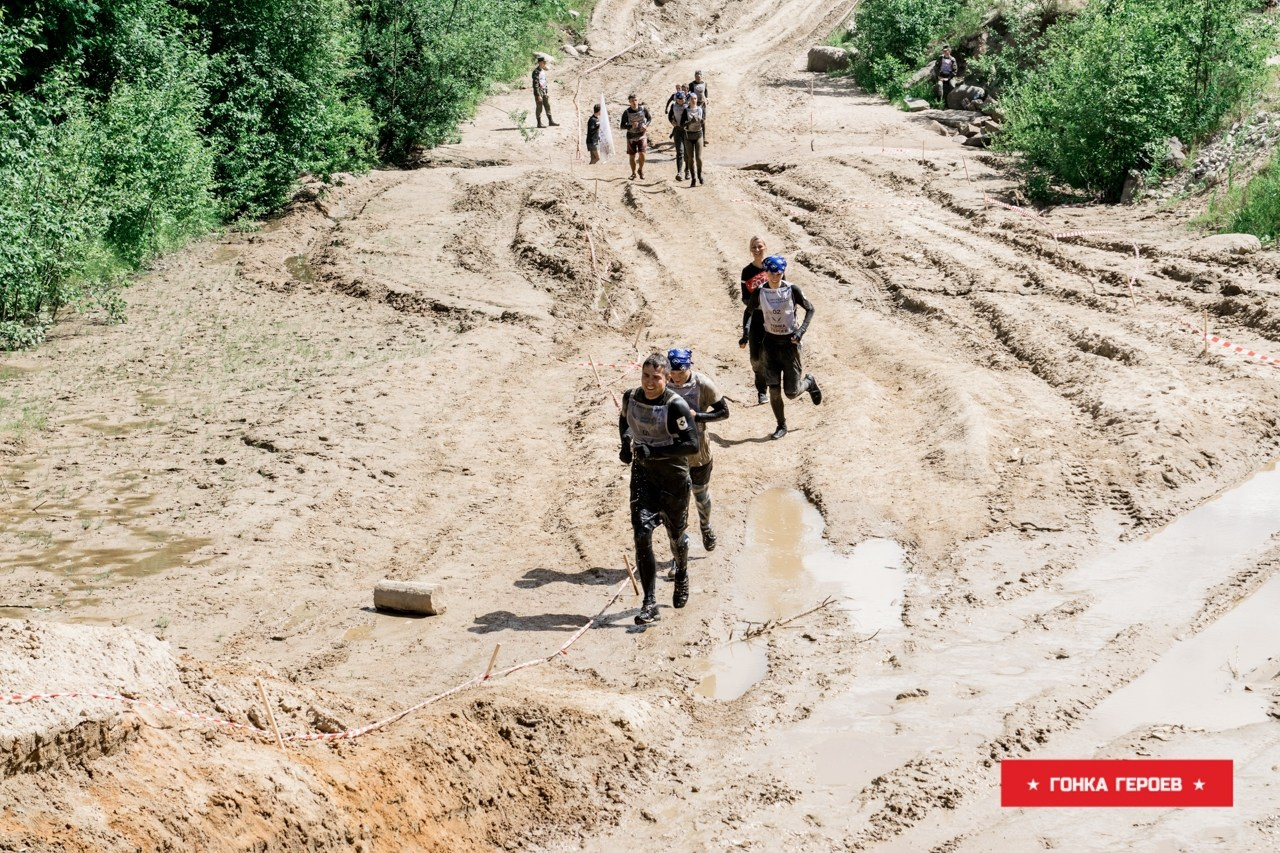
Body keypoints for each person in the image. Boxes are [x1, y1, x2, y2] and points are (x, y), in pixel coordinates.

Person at [619, 353, 700, 624]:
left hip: (673, 478)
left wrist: (652, 451)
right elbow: (624, 420)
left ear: (667, 378)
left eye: (656, 378)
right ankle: (649, 602)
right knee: (641, 534)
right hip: (643, 476)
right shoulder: (630, 397)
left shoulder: (675, 406)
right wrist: (625, 444)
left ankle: (682, 574)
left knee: (676, 536)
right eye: (645, 376)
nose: (649, 383)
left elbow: (692, 445)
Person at [745, 255, 822, 439]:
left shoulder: (791, 289)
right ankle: (781, 425)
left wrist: (801, 331)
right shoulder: (760, 291)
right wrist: (744, 334)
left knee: (791, 392)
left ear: (783, 273)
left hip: (790, 346)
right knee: (773, 389)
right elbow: (748, 312)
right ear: (766, 272)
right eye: (772, 273)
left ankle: (809, 382)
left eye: (779, 274)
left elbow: (810, 309)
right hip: (770, 345)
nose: (775, 277)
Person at [666, 348, 728, 553]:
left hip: (699, 451)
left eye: (680, 374)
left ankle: (705, 526)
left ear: (688, 367)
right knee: (677, 505)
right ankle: (679, 553)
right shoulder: (663, 382)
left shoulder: (703, 384)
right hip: (672, 452)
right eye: (672, 373)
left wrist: (698, 416)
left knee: (700, 495)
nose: (676, 378)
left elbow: (724, 412)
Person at [738, 236, 770, 405]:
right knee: (756, 359)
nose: (757, 250)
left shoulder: (773, 267)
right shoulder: (747, 272)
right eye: (754, 247)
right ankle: (761, 390)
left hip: (774, 317)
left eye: (760, 246)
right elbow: (744, 298)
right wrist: (757, 304)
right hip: (756, 317)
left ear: (765, 247)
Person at [620, 94, 652, 180]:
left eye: (636, 100)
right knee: (632, 156)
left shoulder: (643, 109)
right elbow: (622, 126)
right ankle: (633, 173)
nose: (634, 102)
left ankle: (640, 170)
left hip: (642, 135)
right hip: (631, 136)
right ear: (629, 102)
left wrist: (646, 125)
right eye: (632, 101)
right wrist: (630, 126)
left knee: (642, 154)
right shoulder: (627, 112)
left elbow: (649, 118)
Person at [681, 92, 705, 187]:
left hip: (698, 134)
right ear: (688, 100)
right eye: (692, 99)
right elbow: (682, 124)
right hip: (688, 136)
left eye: (695, 99)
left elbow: (703, 121)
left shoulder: (700, 109)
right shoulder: (686, 111)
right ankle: (693, 177)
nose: (694, 100)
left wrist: (702, 121)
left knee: (698, 158)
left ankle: (699, 175)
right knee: (690, 159)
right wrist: (690, 122)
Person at [667, 91, 688, 180]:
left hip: (687, 131)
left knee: (688, 153)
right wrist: (672, 122)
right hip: (677, 131)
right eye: (679, 99)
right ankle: (679, 172)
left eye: (682, 99)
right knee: (680, 152)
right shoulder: (673, 106)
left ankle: (687, 171)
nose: (680, 101)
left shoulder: (688, 106)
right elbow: (670, 116)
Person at [532, 57, 558, 128]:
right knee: (539, 107)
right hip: (539, 91)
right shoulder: (536, 72)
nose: (545, 64)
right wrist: (538, 95)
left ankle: (550, 121)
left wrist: (546, 92)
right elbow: (535, 84)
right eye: (544, 62)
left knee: (547, 106)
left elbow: (544, 82)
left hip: (544, 90)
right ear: (540, 63)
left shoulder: (542, 71)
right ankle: (539, 123)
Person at [688, 70, 709, 144]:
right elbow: (689, 94)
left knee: (703, 121)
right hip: (694, 105)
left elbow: (706, 92)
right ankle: (693, 137)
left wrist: (707, 98)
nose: (698, 77)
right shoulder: (691, 84)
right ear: (695, 76)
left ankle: (703, 138)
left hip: (702, 104)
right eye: (696, 76)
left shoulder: (704, 83)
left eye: (699, 76)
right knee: (694, 120)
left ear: (701, 76)